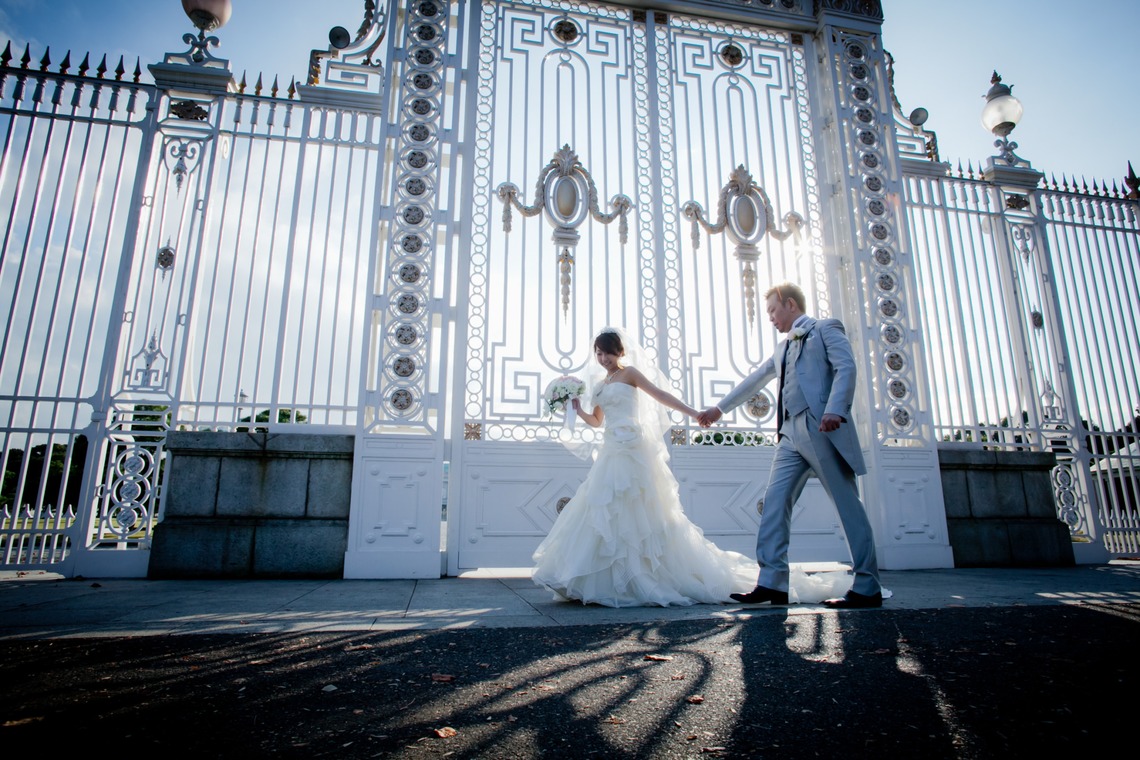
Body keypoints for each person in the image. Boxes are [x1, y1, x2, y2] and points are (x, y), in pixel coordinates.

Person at [531, 328, 849, 607]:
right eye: (599, 354)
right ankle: (606, 579)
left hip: (634, 450)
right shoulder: (601, 384)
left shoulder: (630, 374)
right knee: (604, 509)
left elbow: (660, 395)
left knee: (639, 510)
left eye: (608, 352)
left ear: (619, 351)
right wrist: (574, 406)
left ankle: (641, 577)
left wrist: (693, 412)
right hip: (611, 450)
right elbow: (597, 421)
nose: (603, 359)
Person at [697, 283, 884, 609]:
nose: (770, 316)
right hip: (789, 435)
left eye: (772, 309)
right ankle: (772, 582)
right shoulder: (782, 349)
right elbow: (754, 380)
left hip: (822, 426)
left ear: (791, 304)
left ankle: (868, 586)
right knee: (774, 501)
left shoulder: (825, 328)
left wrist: (835, 410)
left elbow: (846, 367)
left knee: (847, 505)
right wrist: (718, 409)